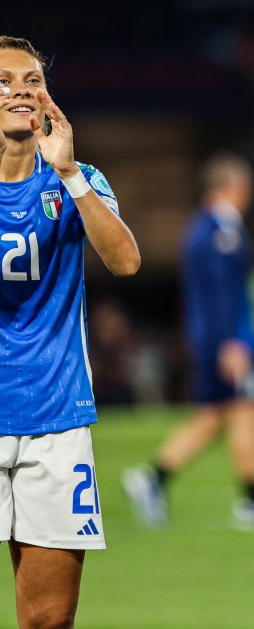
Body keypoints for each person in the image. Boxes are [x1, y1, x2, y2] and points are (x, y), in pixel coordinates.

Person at [0, 36, 141, 627]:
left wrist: (70, 175)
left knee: (49, 620)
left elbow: (126, 261)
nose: (22, 90)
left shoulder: (74, 178)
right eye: (5, 80)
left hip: (55, 419)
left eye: (32, 79)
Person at [123, 152, 254, 530]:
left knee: (217, 415)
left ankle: (154, 479)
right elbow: (219, 296)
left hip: (220, 342)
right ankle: (253, 499)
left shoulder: (211, 228)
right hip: (227, 344)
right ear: (235, 187)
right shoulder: (217, 231)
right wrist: (232, 343)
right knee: (245, 408)